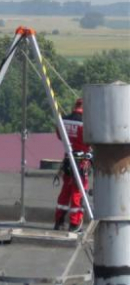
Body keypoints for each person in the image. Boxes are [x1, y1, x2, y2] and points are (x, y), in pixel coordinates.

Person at [54, 98, 91, 232]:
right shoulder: (85, 123)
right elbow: (89, 140)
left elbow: (59, 135)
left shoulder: (63, 120)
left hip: (68, 159)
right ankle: (75, 224)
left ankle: (59, 221)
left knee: (65, 191)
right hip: (81, 161)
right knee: (78, 192)